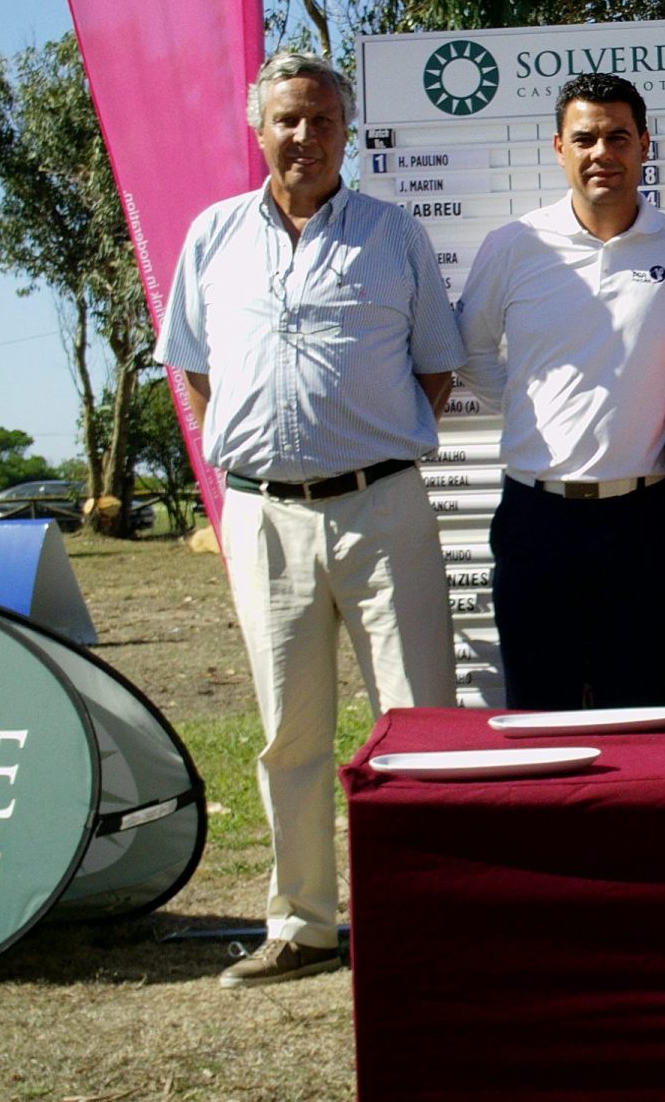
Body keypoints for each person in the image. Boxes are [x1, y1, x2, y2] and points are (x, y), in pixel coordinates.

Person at [155, 52, 464, 988]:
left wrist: (357, 440)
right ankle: (303, 926)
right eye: (288, 119)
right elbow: (196, 370)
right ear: (260, 129)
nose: (306, 135)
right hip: (262, 518)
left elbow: (435, 368)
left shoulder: (393, 234)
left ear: (346, 131)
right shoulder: (211, 237)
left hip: (382, 506)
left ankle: (423, 917)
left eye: (324, 119)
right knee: (291, 729)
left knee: (417, 722)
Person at [457, 72, 665, 710]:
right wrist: (524, 407)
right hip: (535, 517)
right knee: (540, 709)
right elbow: (468, 348)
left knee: (641, 707)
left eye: (619, 137)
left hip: (644, 520)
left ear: (645, 144)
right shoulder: (515, 246)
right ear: (559, 148)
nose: (603, 153)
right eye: (586, 138)